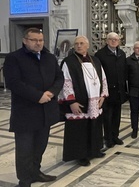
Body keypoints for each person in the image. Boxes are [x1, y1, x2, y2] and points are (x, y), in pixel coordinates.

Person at [4, 28, 64, 186]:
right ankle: (24, 180)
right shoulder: (14, 58)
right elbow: (14, 83)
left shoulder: (50, 57)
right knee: (24, 149)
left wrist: (51, 92)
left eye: (41, 40)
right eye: (34, 40)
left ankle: (35, 172)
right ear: (25, 40)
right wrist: (38, 96)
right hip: (25, 112)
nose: (38, 43)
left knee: (40, 146)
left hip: (46, 111)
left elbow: (59, 77)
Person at [59, 35, 109, 166]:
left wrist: (103, 96)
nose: (79, 46)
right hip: (79, 102)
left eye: (81, 43)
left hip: (95, 102)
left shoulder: (95, 60)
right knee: (80, 129)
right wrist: (71, 102)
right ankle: (81, 155)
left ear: (87, 45)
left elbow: (103, 79)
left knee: (94, 126)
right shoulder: (68, 62)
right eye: (76, 44)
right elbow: (66, 83)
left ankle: (95, 150)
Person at [94, 32, 126, 148]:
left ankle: (115, 136)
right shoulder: (100, 55)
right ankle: (108, 138)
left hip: (119, 90)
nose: (114, 41)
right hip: (106, 91)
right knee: (107, 116)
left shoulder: (121, 54)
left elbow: (123, 72)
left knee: (117, 116)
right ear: (107, 41)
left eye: (116, 40)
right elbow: (97, 73)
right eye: (111, 39)